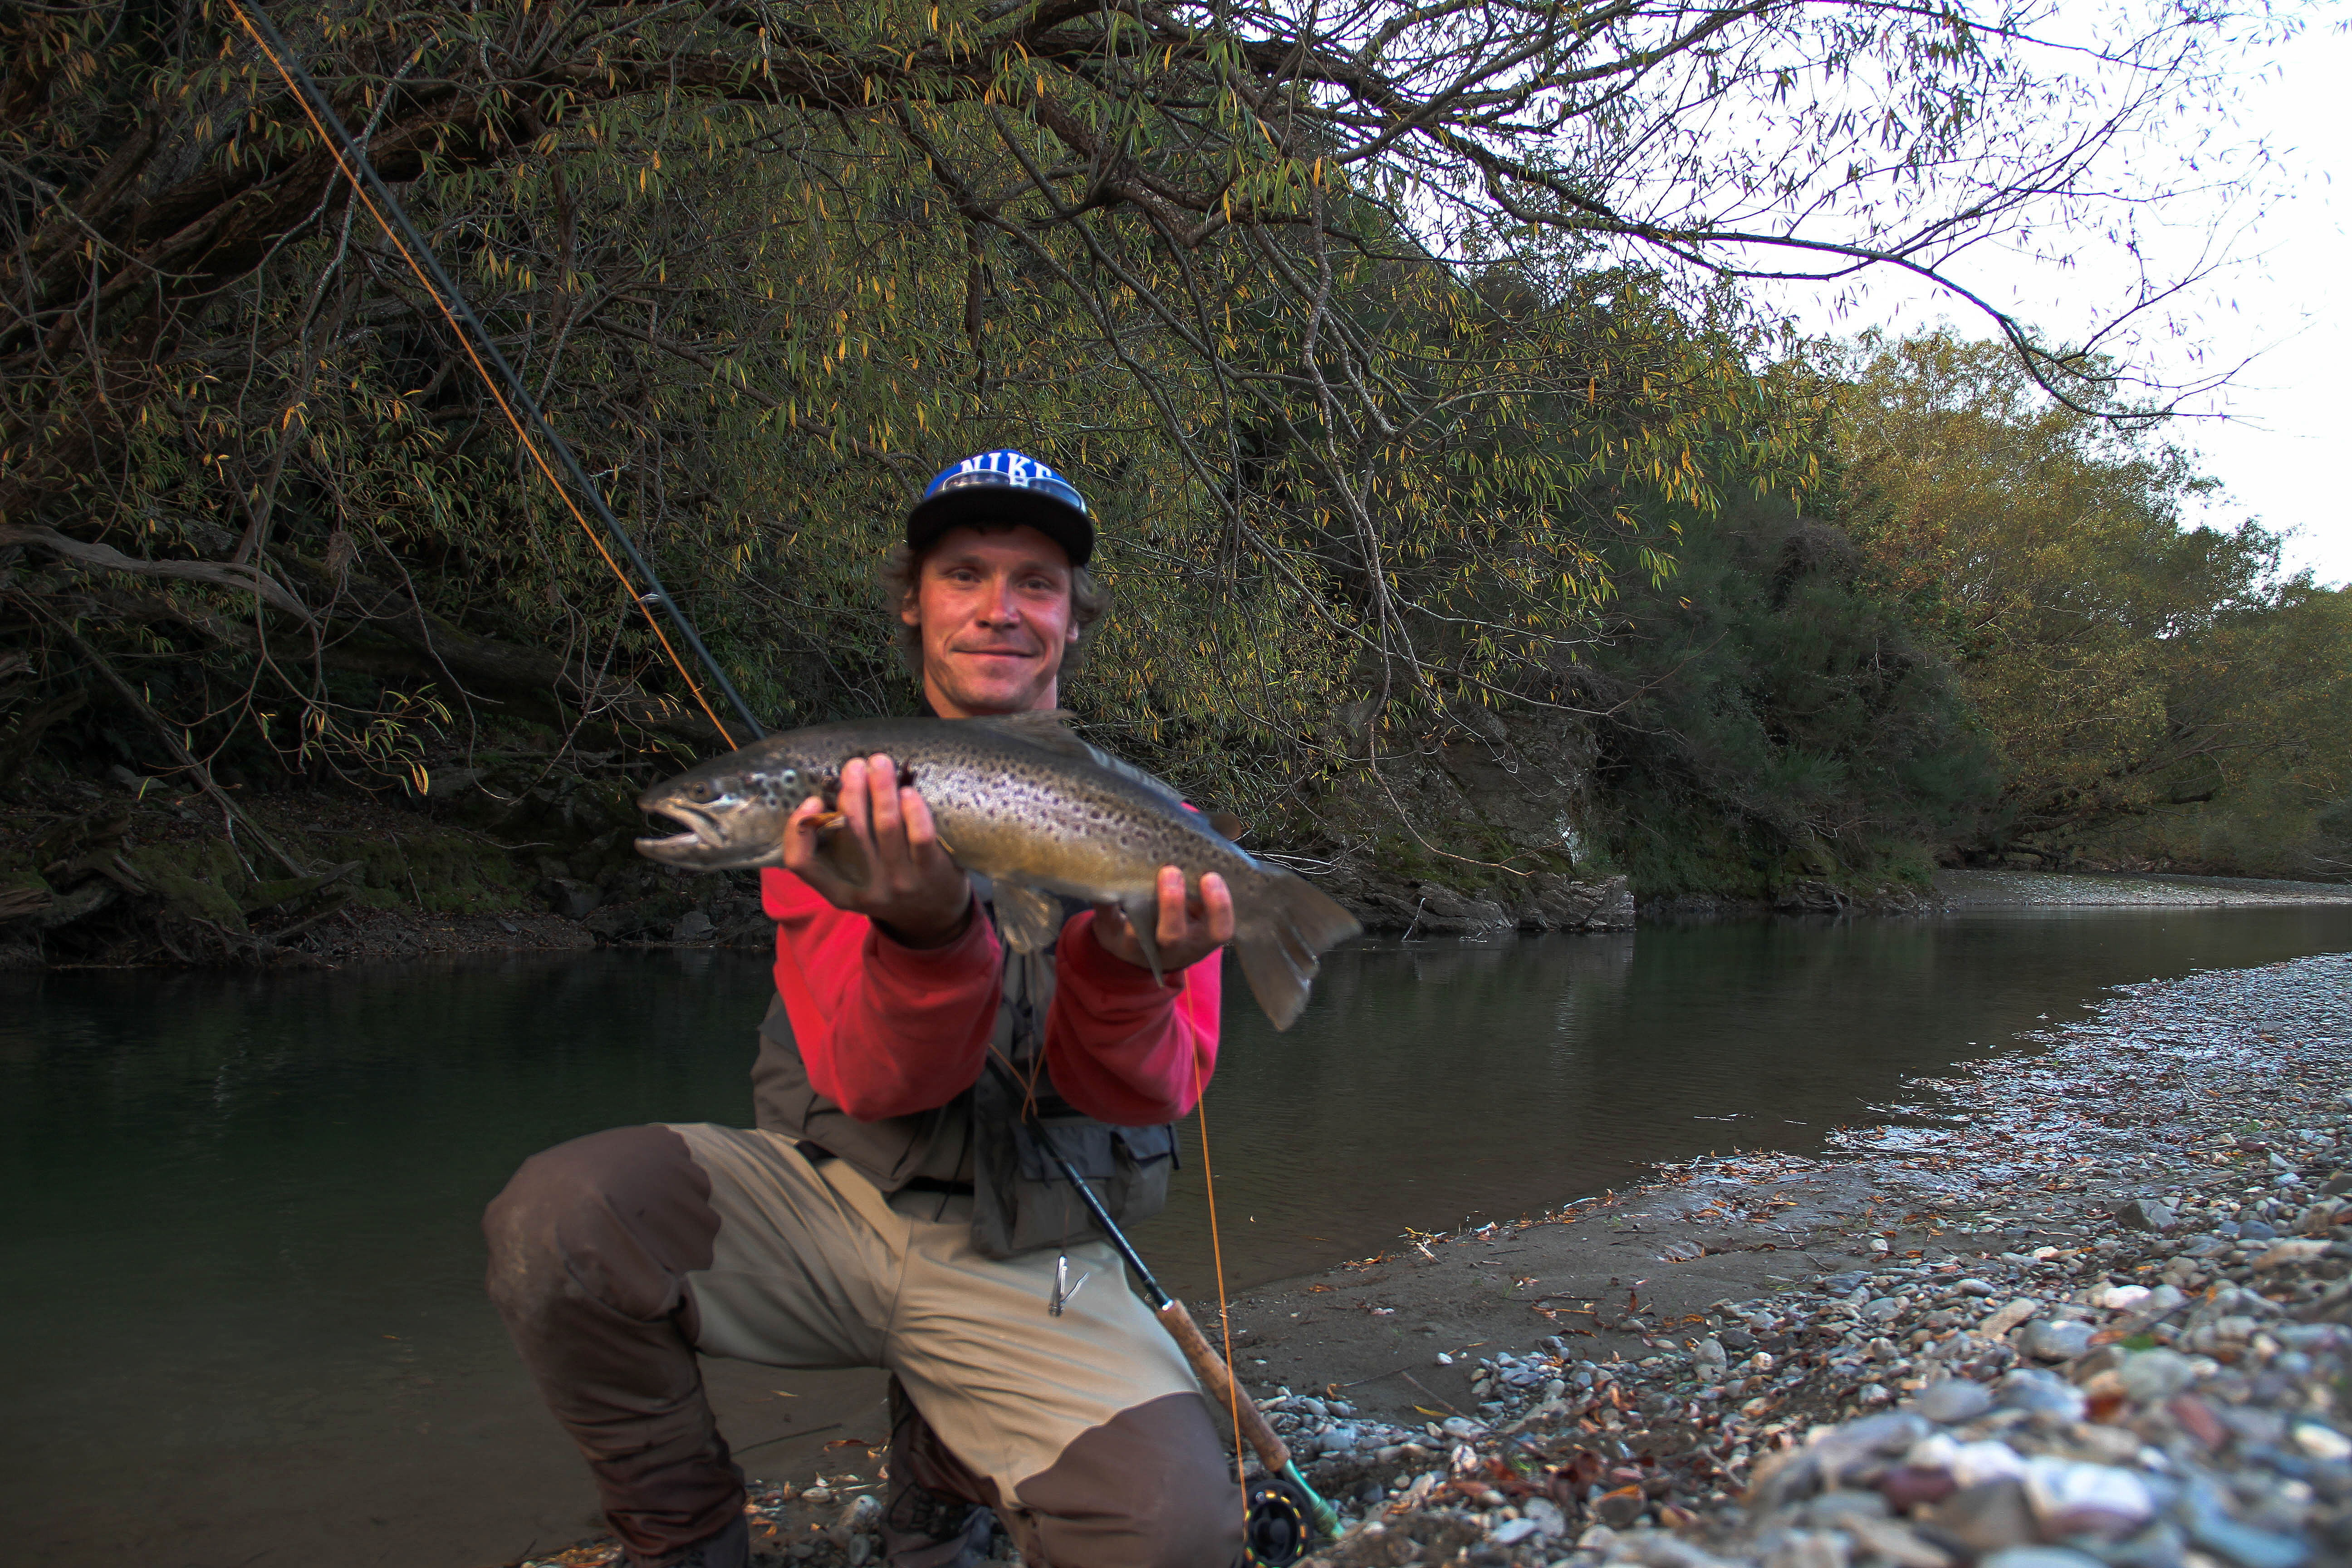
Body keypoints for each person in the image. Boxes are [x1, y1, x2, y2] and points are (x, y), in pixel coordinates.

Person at [483, 450, 1247, 1568]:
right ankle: (685, 1536)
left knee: (1175, 1538)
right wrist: (926, 934)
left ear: (1075, 620)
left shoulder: (1155, 828)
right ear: (913, 603)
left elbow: (1152, 1088)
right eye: (964, 575)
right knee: (562, 1216)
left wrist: (1130, 968)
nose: (999, 610)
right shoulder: (834, 812)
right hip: (829, 1214)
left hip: (1037, 1260)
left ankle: (943, 1494)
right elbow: (877, 1082)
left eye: (1035, 582)